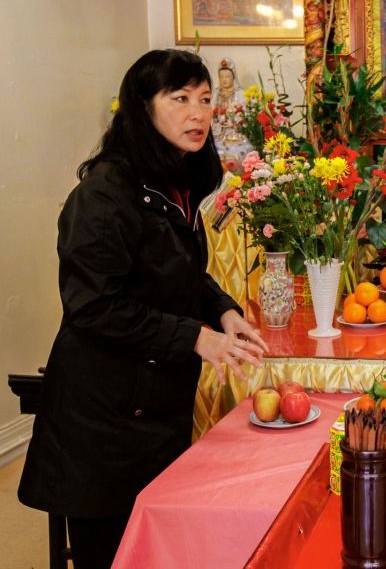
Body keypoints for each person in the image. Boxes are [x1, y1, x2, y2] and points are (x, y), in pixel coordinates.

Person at [18, 49, 268, 569]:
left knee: (154, 547)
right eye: (180, 98)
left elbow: (178, 274)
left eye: (205, 99)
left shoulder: (172, 185)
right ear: (142, 105)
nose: (198, 113)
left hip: (151, 407)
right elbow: (94, 307)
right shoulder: (105, 195)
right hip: (103, 419)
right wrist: (195, 337)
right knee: (112, 553)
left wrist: (223, 311)